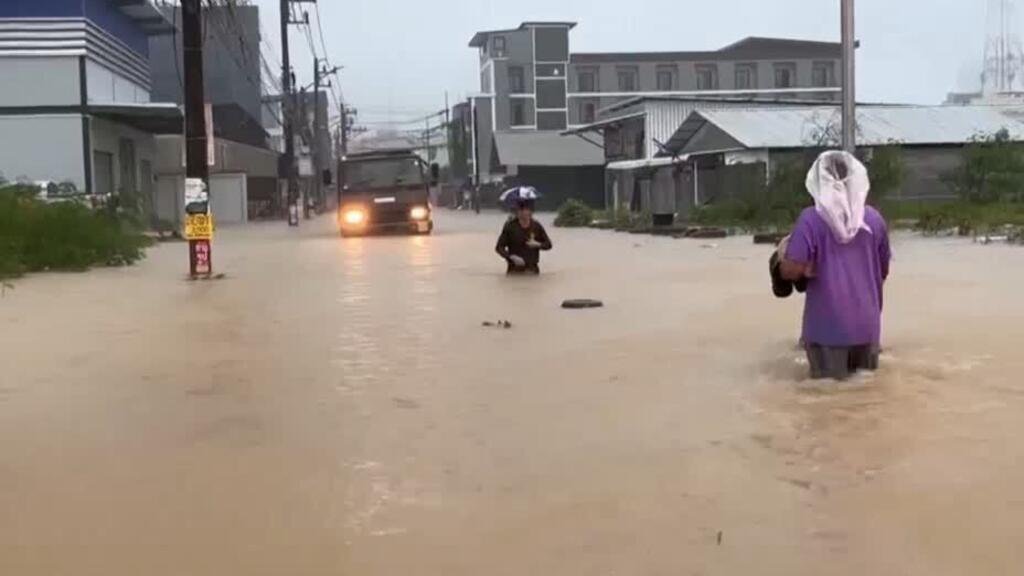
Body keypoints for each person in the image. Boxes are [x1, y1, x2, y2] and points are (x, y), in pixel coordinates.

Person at [781, 151, 891, 380]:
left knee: (826, 403)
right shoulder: (874, 219)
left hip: (826, 331)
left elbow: (790, 271)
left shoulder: (811, 220)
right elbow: (883, 271)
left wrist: (790, 261)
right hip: (867, 327)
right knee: (866, 400)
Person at [495, 198, 553, 274]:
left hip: (532, 269)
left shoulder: (536, 226)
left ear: (530, 211)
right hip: (514, 269)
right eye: (519, 209)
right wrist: (510, 257)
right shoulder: (510, 226)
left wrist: (538, 244)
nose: (522, 212)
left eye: (525, 209)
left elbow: (548, 245)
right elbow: (499, 247)